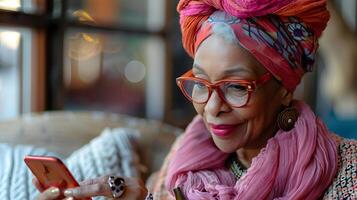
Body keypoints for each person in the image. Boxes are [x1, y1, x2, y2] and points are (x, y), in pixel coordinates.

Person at [35, 0, 357, 199]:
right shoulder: (187, 155)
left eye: (235, 87)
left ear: (285, 87)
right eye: (200, 83)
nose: (212, 108)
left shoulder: (347, 171)